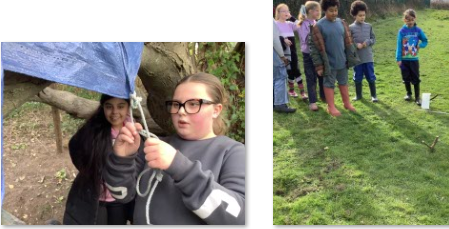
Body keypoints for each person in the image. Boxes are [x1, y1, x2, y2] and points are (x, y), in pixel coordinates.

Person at [104, 73, 245, 224]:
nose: (181, 111)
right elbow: (122, 195)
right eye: (176, 104)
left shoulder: (233, 152)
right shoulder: (154, 145)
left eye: (193, 104)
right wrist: (122, 159)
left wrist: (179, 167)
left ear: (216, 110)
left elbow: (239, 218)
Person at [64, 94, 136, 225]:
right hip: (98, 198)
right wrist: (89, 171)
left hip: (119, 198)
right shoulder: (93, 128)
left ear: (128, 107)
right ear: (103, 107)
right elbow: (74, 146)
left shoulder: (135, 132)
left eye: (120, 106)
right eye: (109, 106)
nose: (114, 112)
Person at [309, 0, 360, 117]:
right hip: (329, 64)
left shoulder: (342, 23)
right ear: (325, 10)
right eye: (331, 11)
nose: (334, 13)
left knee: (343, 82)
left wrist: (351, 56)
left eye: (336, 10)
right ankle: (331, 107)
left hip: (342, 61)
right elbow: (314, 48)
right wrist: (319, 66)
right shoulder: (318, 26)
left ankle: (347, 103)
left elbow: (348, 40)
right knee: (329, 84)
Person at [396, 9, 428, 105]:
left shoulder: (418, 30)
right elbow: (399, 45)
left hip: (414, 59)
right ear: (404, 20)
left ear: (415, 19)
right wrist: (398, 59)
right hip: (404, 60)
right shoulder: (402, 31)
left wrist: (420, 46)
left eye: (412, 20)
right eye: (408, 20)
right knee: (406, 77)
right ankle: (408, 94)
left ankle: (417, 97)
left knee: (415, 77)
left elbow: (425, 40)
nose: (410, 22)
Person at [298, 1, 325, 111]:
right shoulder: (303, 24)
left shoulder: (315, 22)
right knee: (311, 78)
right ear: (310, 11)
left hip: (318, 54)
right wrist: (314, 31)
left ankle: (324, 96)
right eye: (317, 10)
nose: (319, 12)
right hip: (308, 55)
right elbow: (306, 39)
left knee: (321, 75)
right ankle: (312, 102)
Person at [275, 4, 306, 99]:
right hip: (281, 52)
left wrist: (292, 18)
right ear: (278, 13)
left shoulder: (290, 24)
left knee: (296, 69)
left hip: (293, 51)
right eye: (284, 11)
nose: (286, 13)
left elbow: (301, 25)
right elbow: (274, 37)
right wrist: (283, 39)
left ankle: (302, 92)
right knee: (288, 70)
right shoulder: (275, 24)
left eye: (287, 11)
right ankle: (291, 90)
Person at [349, 0, 378, 102]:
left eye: (364, 15)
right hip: (357, 58)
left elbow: (373, 39)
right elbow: (348, 42)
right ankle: (358, 95)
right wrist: (355, 45)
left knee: (371, 76)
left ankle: (374, 96)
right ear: (354, 15)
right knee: (357, 77)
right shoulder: (350, 28)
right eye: (360, 15)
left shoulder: (369, 26)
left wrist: (367, 42)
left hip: (368, 57)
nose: (362, 17)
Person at [274, 20, 297, 113]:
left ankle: (274, 102)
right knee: (280, 77)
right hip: (274, 52)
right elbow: (275, 40)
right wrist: (282, 55)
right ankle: (280, 104)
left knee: (274, 77)